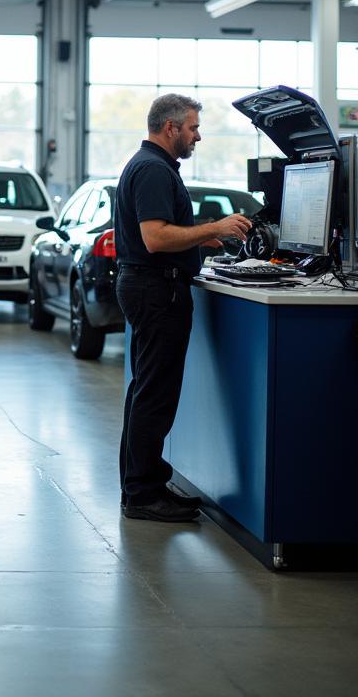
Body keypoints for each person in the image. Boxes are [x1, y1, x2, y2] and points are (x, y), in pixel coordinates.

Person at [114, 94, 251, 522]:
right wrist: (216, 226)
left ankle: (145, 483)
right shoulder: (153, 170)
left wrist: (198, 238)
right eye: (193, 128)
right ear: (170, 128)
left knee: (146, 391)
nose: (198, 136)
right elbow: (154, 238)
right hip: (157, 291)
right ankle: (142, 494)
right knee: (155, 394)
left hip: (149, 287)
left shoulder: (150, 166)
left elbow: (163, 231)